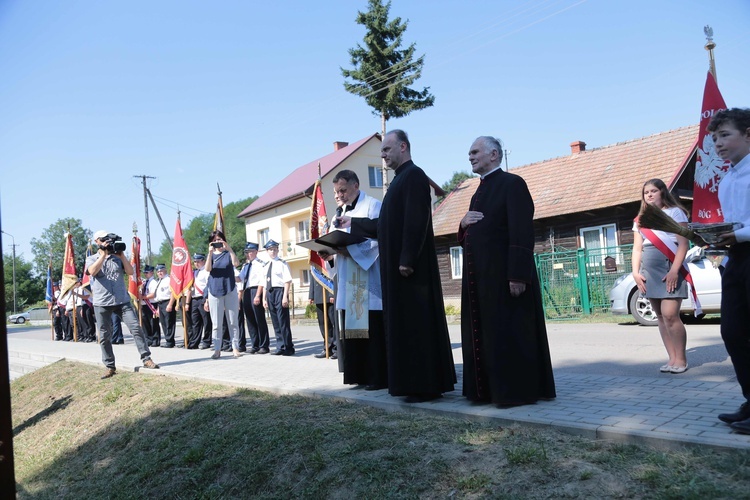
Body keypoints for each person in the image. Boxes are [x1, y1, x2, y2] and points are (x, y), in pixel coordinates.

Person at [345, 129, 456, 402]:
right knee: (404, 327)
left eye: (386, 150)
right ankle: (409, 383)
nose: (382, 155)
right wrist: (352, 225)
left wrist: (406, 259)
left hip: (411, 271)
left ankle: (423, 384)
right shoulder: (397, 181)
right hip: (397, 270)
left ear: (403, 147)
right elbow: (386, 226)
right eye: (381, 151)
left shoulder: (414, 175)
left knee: (416, 326)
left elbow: (416, 221)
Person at [458, 136, 556, 407]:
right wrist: (463, 223)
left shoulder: (512, 184)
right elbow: (478, 231)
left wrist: (518, 275)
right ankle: (486, 391)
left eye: (475, 151)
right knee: (488, 335)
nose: (470, 156)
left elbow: (521, 232)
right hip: (482, 281)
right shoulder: (478, 191)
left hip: (504, 278)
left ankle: (514, 392)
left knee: (509, 333)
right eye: (469, 153)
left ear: (494, 154)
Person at [321, 169, 387, 389]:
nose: (339, 195)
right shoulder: (337, 214)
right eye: (336, 192)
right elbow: (335, 242)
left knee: (372, 328)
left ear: (356, 185)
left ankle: (376, 377)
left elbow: (380, 237)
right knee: (354, 328)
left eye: (343, 190)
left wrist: (352, 252)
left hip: (367, 276)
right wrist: (328, 253)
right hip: (348, 278)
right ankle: (358, 374)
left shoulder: (373, 206)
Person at [708, 108, 750, 434]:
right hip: (736, 259)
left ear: (748, 133)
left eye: (725, 135)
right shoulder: (726, 179)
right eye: (714, 137)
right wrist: (713, 238)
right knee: (733, 331)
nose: (718, 143)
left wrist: (736, 234)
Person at [632, 178, 691, 374]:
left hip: (669, 268)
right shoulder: (640, 220)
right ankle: (672, 359)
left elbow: (684, 244)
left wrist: (674, 270)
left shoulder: (675, 212)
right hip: (649, 272)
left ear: (662, 192)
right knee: (660, 316)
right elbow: (637, 249)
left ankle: (681, 360)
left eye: (653, 191)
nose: (649, 195)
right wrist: (635, 272)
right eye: (646, 192)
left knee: (670, 315)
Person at [86, 230, 159, 378]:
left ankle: (146, 358)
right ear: (97, 242)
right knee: (105, 335)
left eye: (108, 239)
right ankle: (109, 366)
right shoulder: (92, 258)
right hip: (102, 302)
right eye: (103, 239)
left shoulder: (117, 257)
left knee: (136, 328)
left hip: (122, 301)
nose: (106, 241)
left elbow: (131, 271)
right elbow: (92, 272)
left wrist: (121, 255)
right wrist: (103, 256)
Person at [205, 230, 242, 359]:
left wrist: (230, 249)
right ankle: (217, 349)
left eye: (219, 239)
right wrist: (210, 253)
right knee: (216, 324)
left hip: (230, 289)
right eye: (214, 240)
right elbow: (208, 269)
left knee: (233, 322)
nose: (217, 242)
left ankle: (235, 348)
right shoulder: (210, 255)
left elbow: (236, 263)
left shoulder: (227, 254)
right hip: (215, 291)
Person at [262, 239, 295, 355]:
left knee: (283, 321)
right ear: (267, 251)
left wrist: (285, 296)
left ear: (277, 250)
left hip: (280, 292)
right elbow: (264, 284)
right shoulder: (265, 265)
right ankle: (280, 346)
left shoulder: (282, 263)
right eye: (270, 250)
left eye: (275, 249)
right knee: (275, 321)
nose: (273, 252)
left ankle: (288, 347)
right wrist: (264, 299)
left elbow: (287, 281)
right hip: (270, 293)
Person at [239, 243, 270, 354]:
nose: (248, 254)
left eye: (250, 252)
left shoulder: (260, 264)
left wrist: (258, 295)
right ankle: (255, 344)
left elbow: (262, 281)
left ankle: (264, 345)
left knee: (259, 319)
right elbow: (240, 279)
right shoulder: (245, 266)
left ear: (256, 252)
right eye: (247, 252)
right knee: (250, 320)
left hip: (256, 290)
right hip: (247, 291)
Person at [308, 272, 337, 360]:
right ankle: (327, 348)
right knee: (323, 324)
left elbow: (332, 276)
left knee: (333, 322)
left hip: (329, 296)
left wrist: (332, 293)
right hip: (318, 296)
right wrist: (311, 295)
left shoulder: (327, 260)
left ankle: (336, 348)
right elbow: (313, 279)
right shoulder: (314, 264)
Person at [185, 254, 212, 350]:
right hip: (194, 299)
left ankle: (207, 341)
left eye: (198, 261)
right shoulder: (194, 272)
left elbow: (208, 286)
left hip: (203, 298)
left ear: (203, 261)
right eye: (195, 262)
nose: (196, 263)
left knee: (206, 321)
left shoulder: (206, 271)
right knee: (195, 322)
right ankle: (195, 342)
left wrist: (207, 300)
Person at [149, 264, 177, 348]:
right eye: (158, 271)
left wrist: (170, 304)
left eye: (161, 271)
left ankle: (170, 341)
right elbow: (158, 295)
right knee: (164, 323)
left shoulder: (169, 279)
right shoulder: (159, 281)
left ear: (165, 270)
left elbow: (173, 293)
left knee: (169, 322)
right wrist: (158, 308)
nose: (159, 273)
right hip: (160, 303)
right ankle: (167, 340)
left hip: (167, 302)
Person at [140, 265, 161, 347]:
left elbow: (153, 294)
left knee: (153, 323)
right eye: (144, 272)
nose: (145, 274)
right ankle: (148, 339)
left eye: (147, 272)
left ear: (152, 272)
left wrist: (143, 297)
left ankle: (155, 340)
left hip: (152, 304)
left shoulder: (154, 282)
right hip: (144, 304)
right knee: (146, 323)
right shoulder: (145, 282)